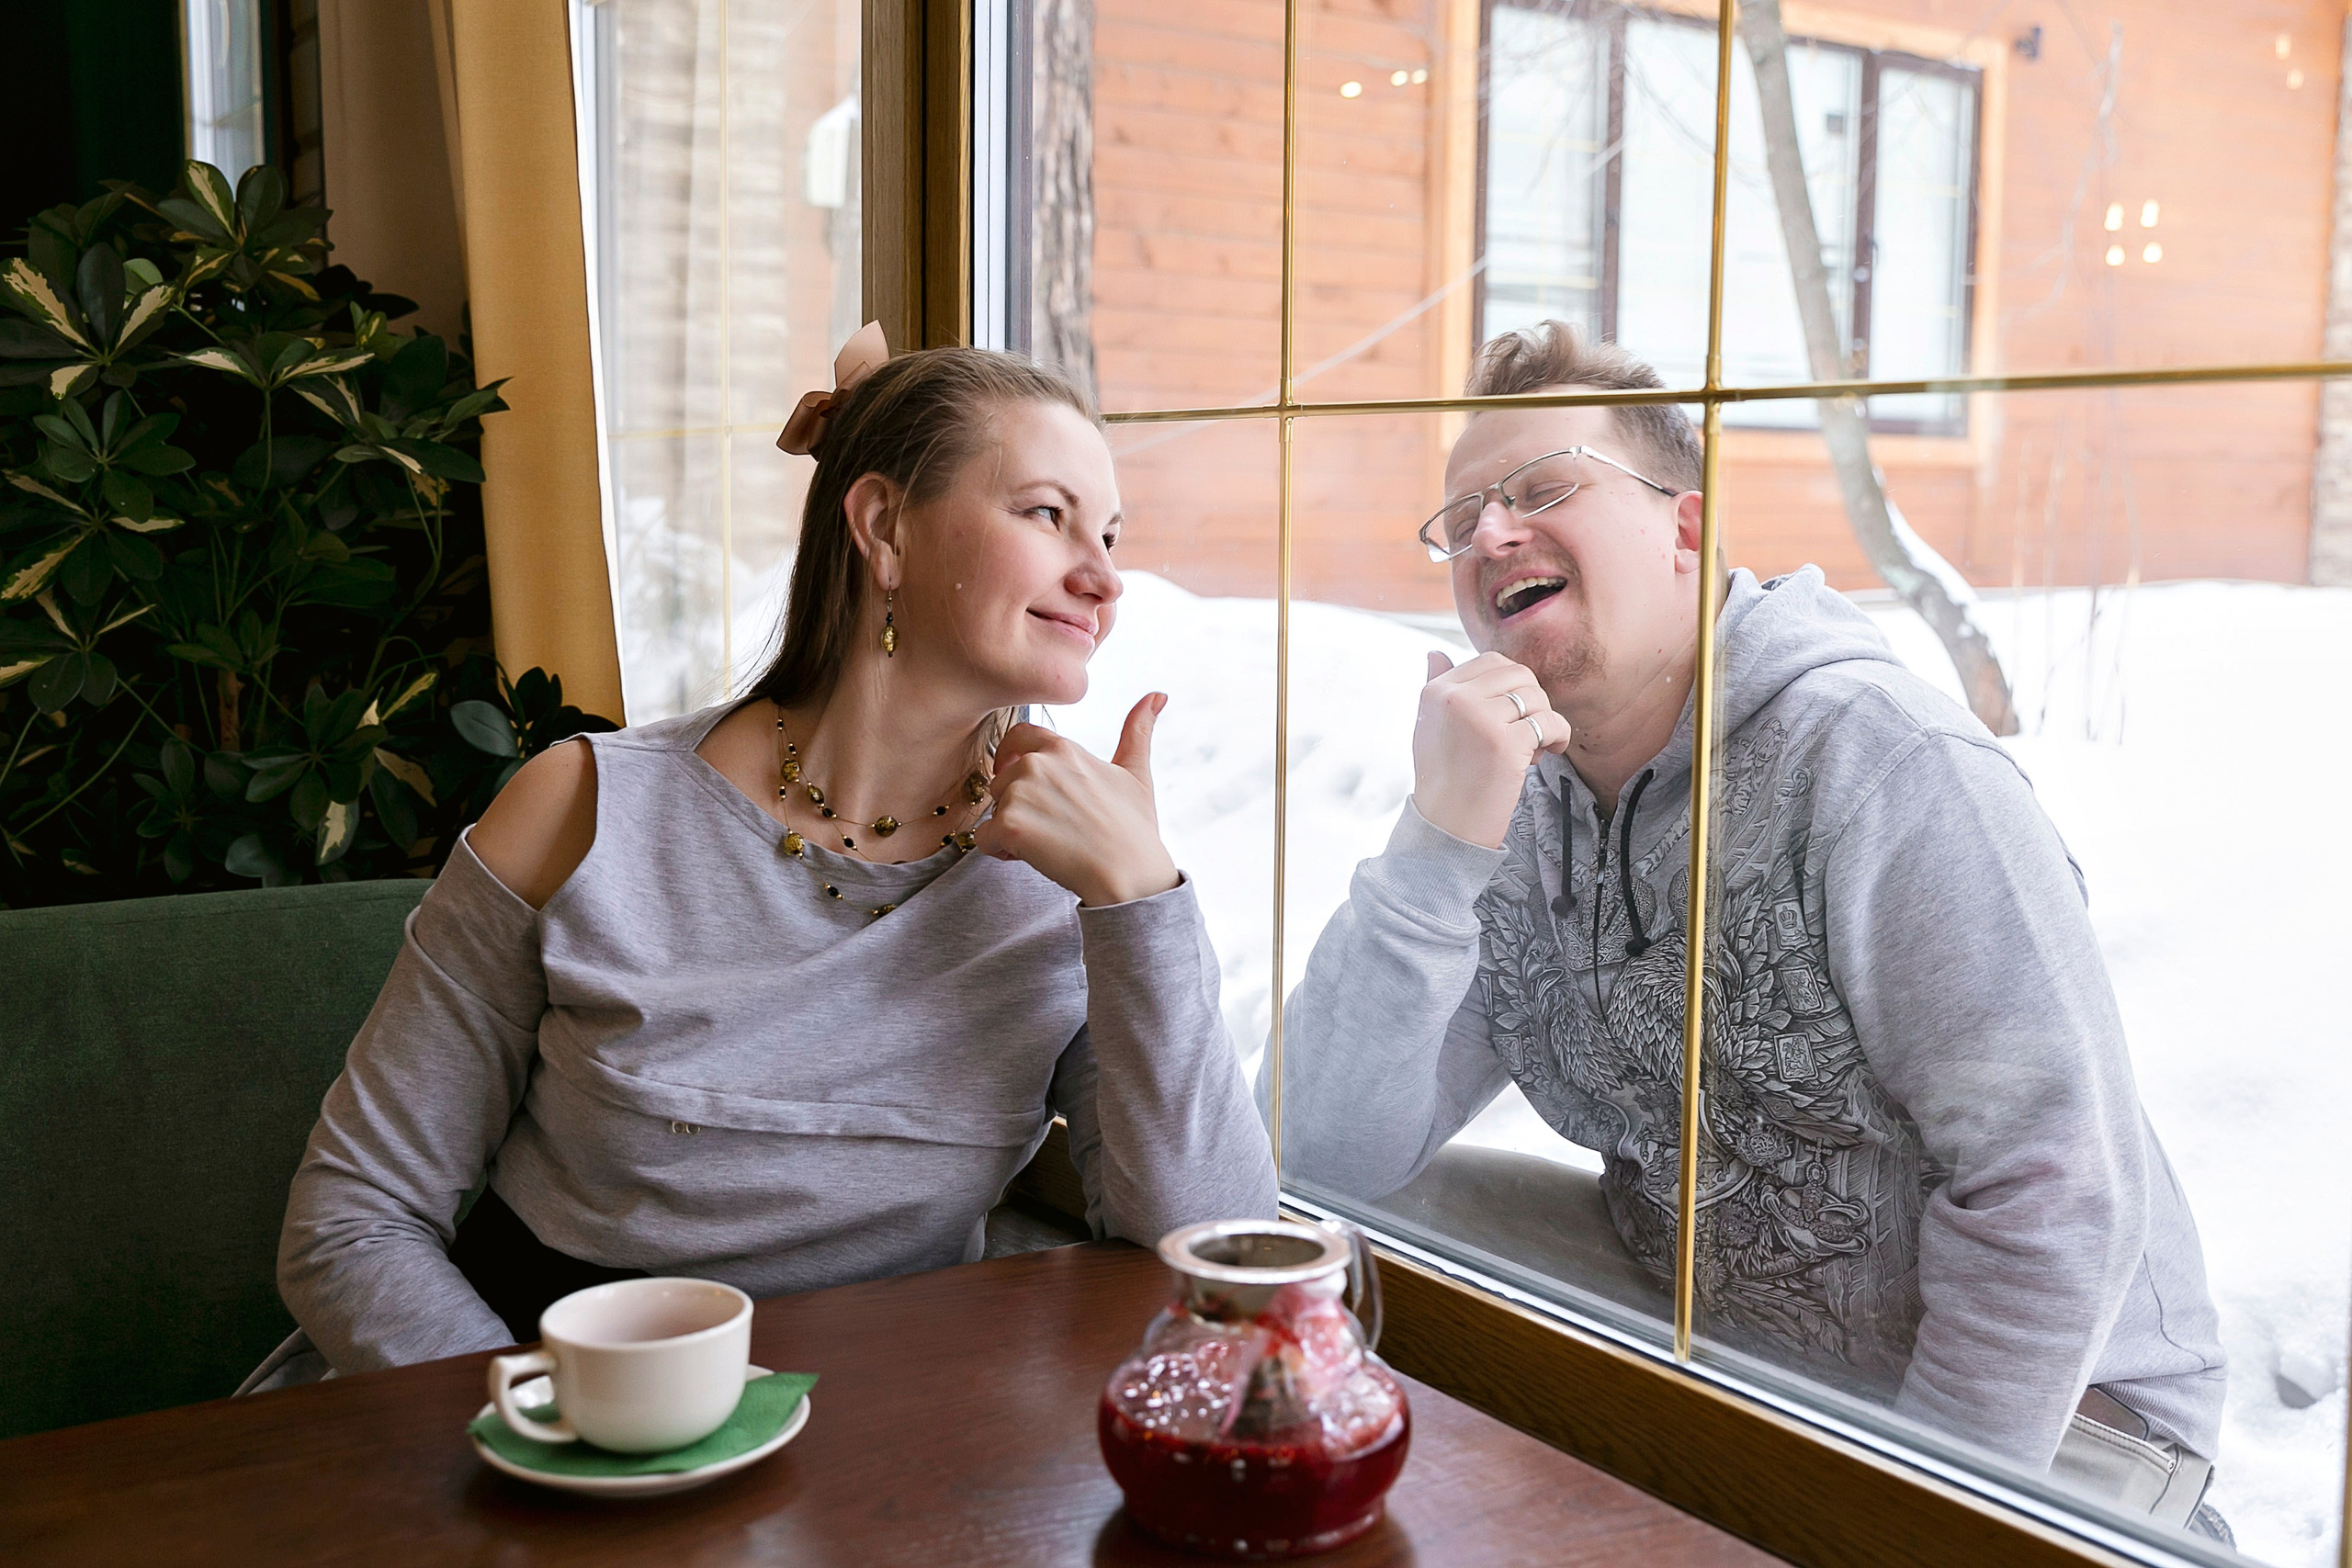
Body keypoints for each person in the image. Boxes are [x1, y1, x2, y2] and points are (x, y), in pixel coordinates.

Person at [1269, 322, 2228, 1533]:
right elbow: (1312, 1155)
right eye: (1460, 519)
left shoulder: (1876, 758)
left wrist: (1887, 1521)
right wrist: (1440, 836)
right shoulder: (1510, 791)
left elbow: (2054, 1192)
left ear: (1684, 527)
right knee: (1365, 1234)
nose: (1490, 534)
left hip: (2052, 1427)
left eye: (1541, 487)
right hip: (1716, 1343)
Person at [268, 332, 1276, 1378]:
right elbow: (353, 1219)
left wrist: (1141, 897)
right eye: (1046, 514)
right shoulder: (580, 809)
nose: (1103, 576)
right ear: (884, 527)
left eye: (1110, 533)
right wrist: (555, 1431)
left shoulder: (1074, 880)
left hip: (861, 1458)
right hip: (501, 1415)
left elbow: (1211, 1262)